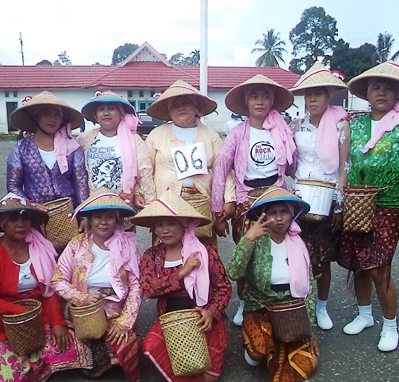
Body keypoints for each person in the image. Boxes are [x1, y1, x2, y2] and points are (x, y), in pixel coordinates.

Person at [339, 61, 399, 352]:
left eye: (389, 88)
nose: (382, 93)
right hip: (356, 202)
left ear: (398, 92)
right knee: (359, 264)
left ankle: (390, 325)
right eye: (376, 87)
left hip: (388, 204)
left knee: (380, 267)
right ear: (367, 92)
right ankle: (364, 315)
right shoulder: (356, 122)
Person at [0, 194, 92, 382]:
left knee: (80, 350)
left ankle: (29, 363)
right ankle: (23, 359)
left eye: (25, 218)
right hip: (3, 323)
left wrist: (57, 323)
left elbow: (49, 291)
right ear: (2, 224)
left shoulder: (40, 249)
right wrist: (20, 311)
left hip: (39, 318)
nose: (21, 224)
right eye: (13, 219)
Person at [210, 74, 296, 325]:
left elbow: (293, 167)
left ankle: (275, 300)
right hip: (246, 202)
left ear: (272, 101)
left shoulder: (282, 132)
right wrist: (218, 211)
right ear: (246, 102)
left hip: (275, 198)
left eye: (265, 96)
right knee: (247, 253)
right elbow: (221, 170)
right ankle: (246, 301)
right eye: (254, 96)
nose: (260, 101)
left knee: (275, 252)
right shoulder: (237, 133)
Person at [131, 192, 232, 382]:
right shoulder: (152, 255)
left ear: (185, 224)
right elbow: (149, 289)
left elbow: (224, 288)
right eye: (159, 224)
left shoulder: (204, 252)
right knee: (150, 347)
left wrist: (212, 313)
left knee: (207, 380)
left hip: (203, 320)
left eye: (171, 224)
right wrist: (182, 273)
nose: (165, 230)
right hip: (172, 323)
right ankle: (184, 372)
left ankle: (190, 372)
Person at [227, 188, 319, 382]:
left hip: (291, 313)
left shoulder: (298, 244)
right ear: (264, 216)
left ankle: (280, 344)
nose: (278, 218)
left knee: (307, 363)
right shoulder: (255, 240)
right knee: (257, 354)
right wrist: (247, 240)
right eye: (272, 213)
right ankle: (259, 346)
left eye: (284, 212)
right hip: (260, 309)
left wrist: (309, 329)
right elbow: (233, 273)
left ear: (291, 214)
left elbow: (309, 287)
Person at [52, 189, 142, 382]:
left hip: (115, 315)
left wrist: (125, 322)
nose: (103, 222)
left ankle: (103, 356)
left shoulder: (128, 247)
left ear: (117, 219)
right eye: (98, 217)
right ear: (89, 220)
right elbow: (58, 280)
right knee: (61, 346)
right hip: (84, 317)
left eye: (109, 217)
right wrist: (83, 297)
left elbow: (136, 287)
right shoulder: (76, 244)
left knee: (125, 343)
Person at [288, 62, 350, 330]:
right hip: (301, 197)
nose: (312, 99)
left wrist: (339, 204)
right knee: (298, 254)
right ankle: (300, 303)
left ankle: (322, 307)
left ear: (329, 96)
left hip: (327, 196)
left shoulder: (341, 125)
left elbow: (343, 168)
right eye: (308, 95)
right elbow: (290, 162)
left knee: (323, 256)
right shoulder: (296, 125)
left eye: (318, 94)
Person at [144, 79, 235, 248]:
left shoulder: (211, 136)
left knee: (202, 250)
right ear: (168, 109)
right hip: (167, 203)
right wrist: (150, 204)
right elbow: (145, 171)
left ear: (195, 107)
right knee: (167, 251)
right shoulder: (156, 135)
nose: (181, 107)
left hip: (201, 202)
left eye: (186, 102)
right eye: (175, 104)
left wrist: (229, 200)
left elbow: (223, 170)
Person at [6, 91, 89, 209]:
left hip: (68, 216)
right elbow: (13, 185)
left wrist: (82, 216)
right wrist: (31, 205)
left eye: (57, 115)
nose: (52, 119)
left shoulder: (73, 148)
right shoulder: (21, 149)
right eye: (46, 114)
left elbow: (81, 185)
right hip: (34, 216)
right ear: (36, 118)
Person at [76, 91, 155, 209]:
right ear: (95, 114)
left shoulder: (134, 140)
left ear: (121, 113)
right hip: (93, 204)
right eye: (101, 109)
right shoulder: (84, 139)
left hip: (124, 204)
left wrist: (150, 204)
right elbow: (78, 174)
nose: (106, 113)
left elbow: (144, 172)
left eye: (111, 108)